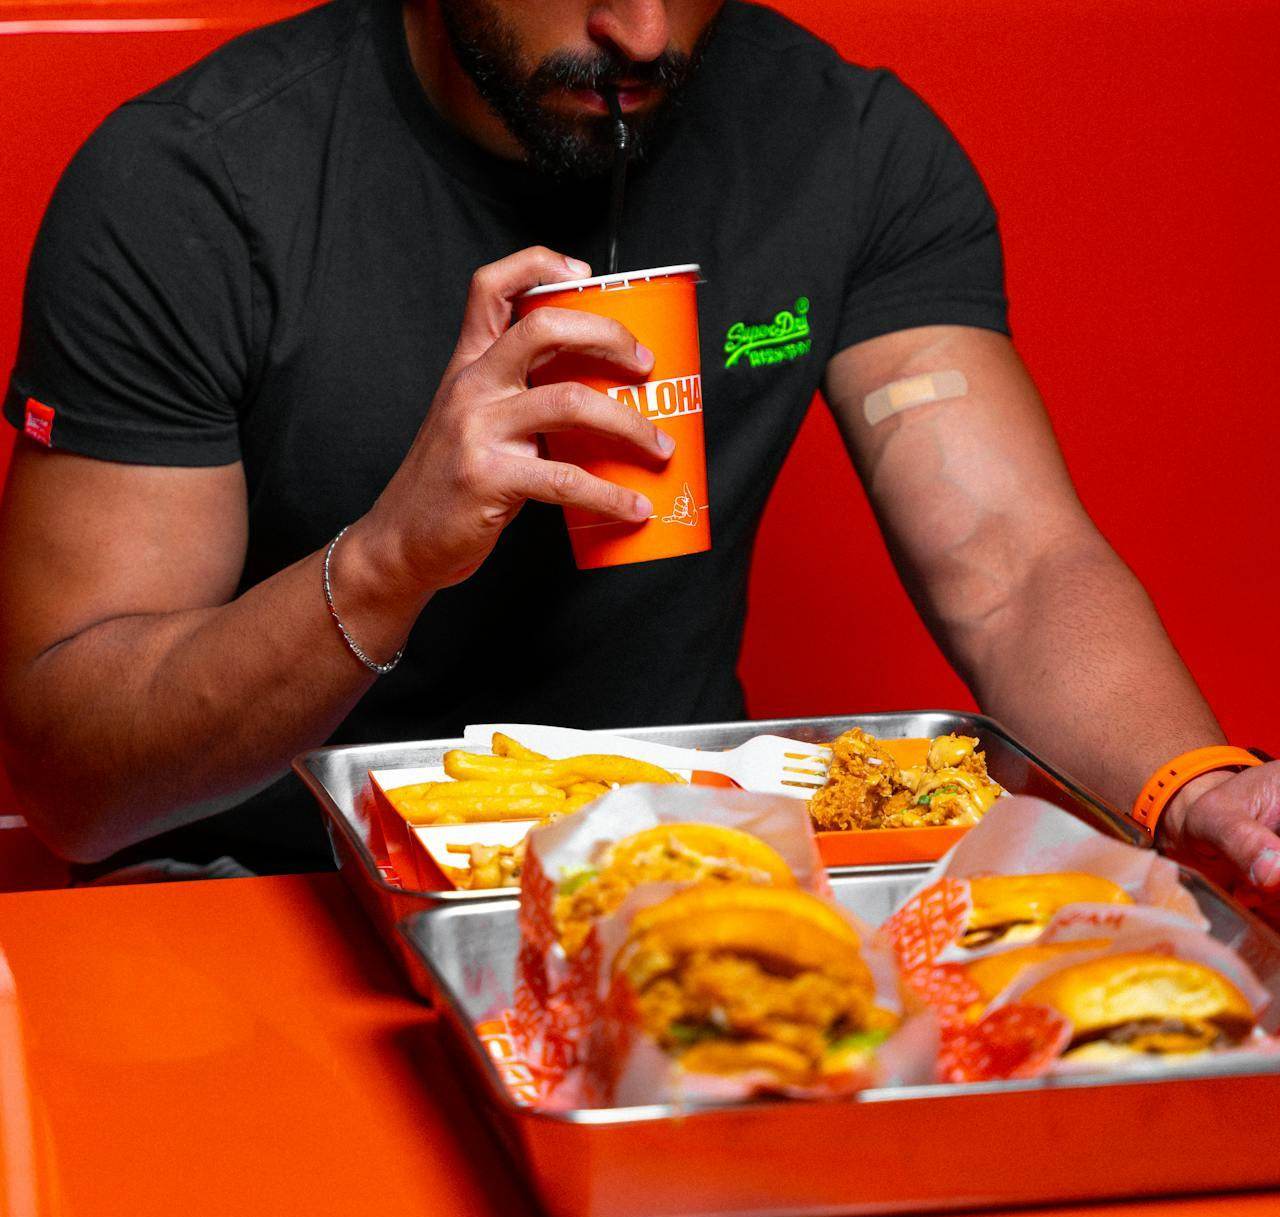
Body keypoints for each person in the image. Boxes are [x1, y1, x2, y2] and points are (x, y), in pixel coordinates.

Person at [1, 0, 1276, 884]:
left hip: (685, 879)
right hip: (256, 900)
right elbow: (73, 776)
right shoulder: (192, 188)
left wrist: (1195, 790)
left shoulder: (843, 141)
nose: (645, 33)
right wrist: (390, 558)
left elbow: (1013, 559)